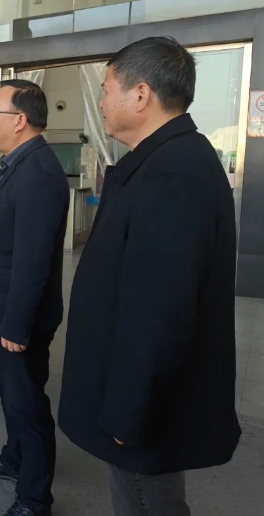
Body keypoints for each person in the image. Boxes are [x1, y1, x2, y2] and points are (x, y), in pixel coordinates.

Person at [59, 37, 241, 516]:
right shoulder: (165, 160)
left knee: (147, 501)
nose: (101, 102)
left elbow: (161, 308)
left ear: (140, 94)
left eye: (106, 90)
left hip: (143, 406)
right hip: (140, 393)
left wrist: (129, 409)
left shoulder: (174, 172)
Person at [0, 80, 69, 516]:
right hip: (2, 309)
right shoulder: (18, 161)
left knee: (27, 404)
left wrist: (15, 324)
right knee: (12, 395)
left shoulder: (39, 173)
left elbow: (33, 260)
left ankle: (34, 498)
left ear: (20, 120)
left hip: (18, 318)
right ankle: (15, 459)